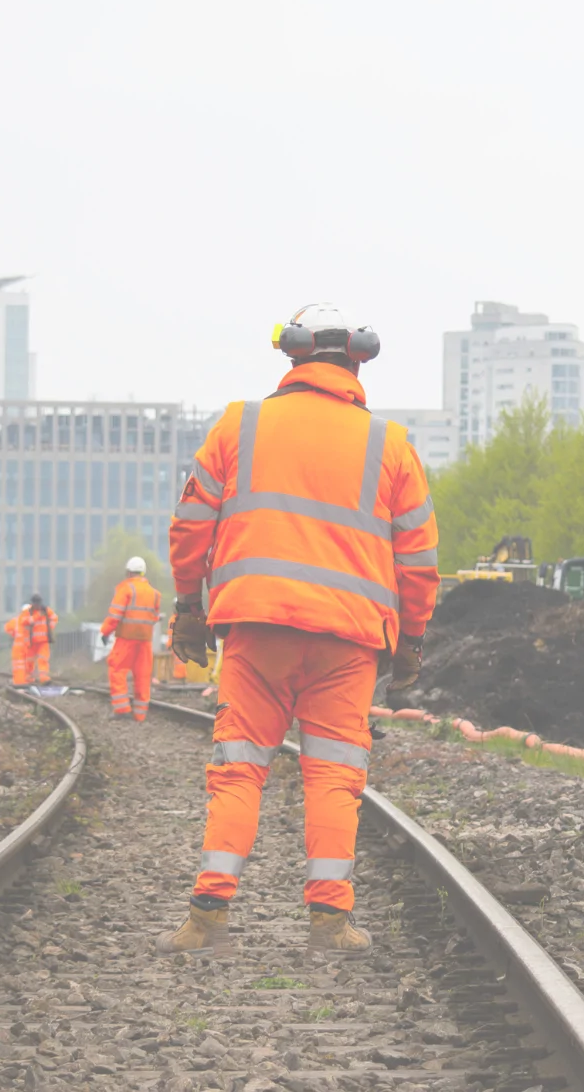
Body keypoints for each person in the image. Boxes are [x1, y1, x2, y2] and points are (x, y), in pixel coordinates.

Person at [156, 303, 439, 956]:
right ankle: (329, 924)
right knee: (334, 774)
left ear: (292, 357)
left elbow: (191, 523)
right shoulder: (390, 446)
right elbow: (419, 560)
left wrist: (189, 606)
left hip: (257, 632)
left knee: (239, 767)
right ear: (358, 363)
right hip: (349, 643)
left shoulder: (240, 425)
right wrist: (413, 640)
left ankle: (207, 916)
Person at [99, 557, 162, 720]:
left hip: (126, 638)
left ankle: (122, 710)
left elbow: (115, 615)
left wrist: (105, 632)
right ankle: (140, 714)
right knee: (143, 674)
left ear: (128, 572)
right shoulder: (155, 594)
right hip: (145, 640)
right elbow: (154, 617)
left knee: (117, 669)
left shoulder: (126, 589)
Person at [19, 595, 59, 685]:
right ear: (33, 603)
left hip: (43, 641)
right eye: (36, 603)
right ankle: (28, 678)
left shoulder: (46, 610)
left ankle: (44, 678)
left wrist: (50, 628)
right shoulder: (28, 612)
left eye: (39, 603)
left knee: (43, 659)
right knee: (29, 660)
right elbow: (24, 621)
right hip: (31, 641)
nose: (38, 605)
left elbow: (54, 618)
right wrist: (37, 616)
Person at [6, 604, 30, 686]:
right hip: (29, 646)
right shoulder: (33, 619)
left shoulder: (16, 621)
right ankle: (27, 680)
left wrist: (14, 634)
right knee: (27, 664)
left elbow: (7, 628)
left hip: (18, 646)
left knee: (18, 665)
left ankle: (19, 681)